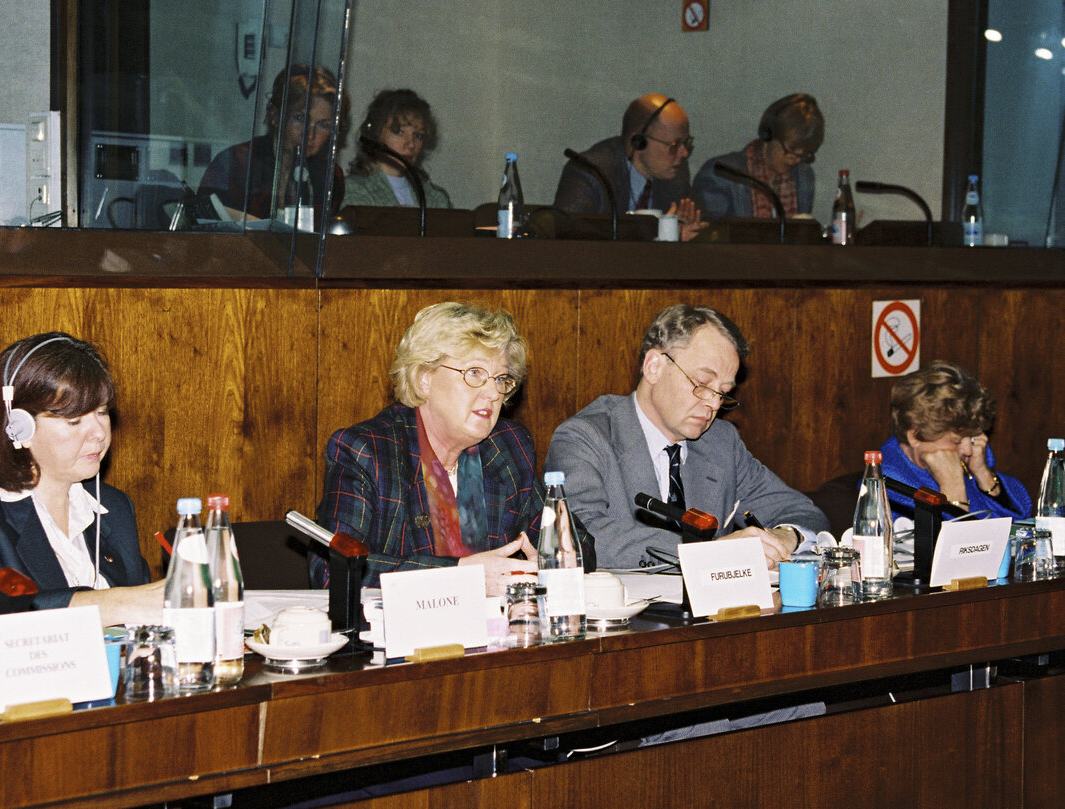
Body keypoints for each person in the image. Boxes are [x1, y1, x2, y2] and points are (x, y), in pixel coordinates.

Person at [313, 301, 595, 593]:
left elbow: (580, 546)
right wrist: (463, 576)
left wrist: (549, 563)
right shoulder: (367, 451)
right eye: (474, 373)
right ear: (425, 379)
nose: (492, 393)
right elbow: (334, 570)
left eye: (500, 379)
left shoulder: (507, 448)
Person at [0, 333, 163, 634]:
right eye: (74, 420)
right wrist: (122, 603)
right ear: (19, 426)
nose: (99, 433)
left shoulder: (113, 507)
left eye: (102, 412)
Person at [545, 304, 828, 570]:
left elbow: (801, 511)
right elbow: (580, 536)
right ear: (654, 366)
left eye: (723, 391)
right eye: (702, 384)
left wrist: (784, 538)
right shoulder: (584, 437)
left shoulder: (720, 442)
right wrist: (710, 554)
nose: (714, 404)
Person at [197, 65, 349, 228]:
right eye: (300, 118)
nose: (309, 135)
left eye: (323, 124)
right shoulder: (237, 162)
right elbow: (201, 222)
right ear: (276, 116)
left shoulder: (329, 176)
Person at [879, 360, 1031, 520]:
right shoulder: (888, 484)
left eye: (971, 437)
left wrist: (983, 474)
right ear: (915, 436)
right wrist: (953, 489)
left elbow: (1021, 518)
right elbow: (954, 544)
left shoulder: (969, 455)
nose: (968, 449)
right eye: (957, 441)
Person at [553, 93, 703, 240]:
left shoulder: (677, 175)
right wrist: (655, 234)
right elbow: (567, 238)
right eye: (674, 145)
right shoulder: (590, 172)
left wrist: (684, 234)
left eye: (687, 143)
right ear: (638, 142)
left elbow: (712, 230)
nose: (684, 153)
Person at [693, 93, 824, 220]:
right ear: (769, 134)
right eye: (792, 148)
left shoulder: (803, 176)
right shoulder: (721, 175)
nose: (797, 159)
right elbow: (709, 236)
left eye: (805, 153)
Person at [344, 89, 452, 209]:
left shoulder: (435, 198)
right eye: (399, 132)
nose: (411, 144)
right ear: (375, 134)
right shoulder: (354, 189)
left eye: (418, 135)